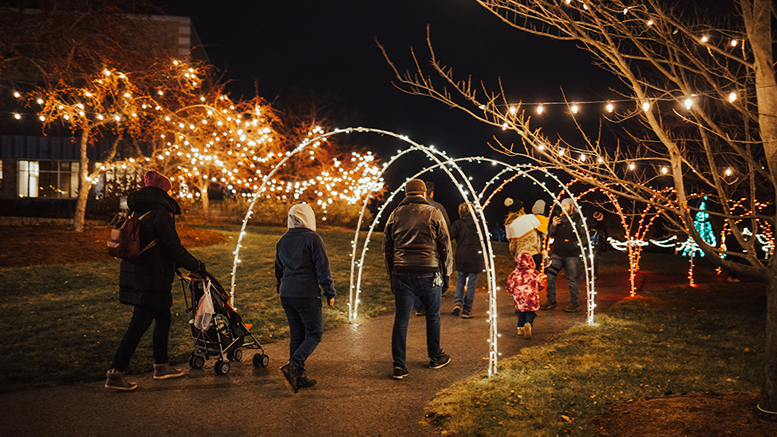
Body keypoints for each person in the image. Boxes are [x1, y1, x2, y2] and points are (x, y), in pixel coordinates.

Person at [106, 170, 205, 391]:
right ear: (162, 192)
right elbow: (174, 248)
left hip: (140, 273)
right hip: (152, 279)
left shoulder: (136, 210)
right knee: (138, 325)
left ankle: (161, 365)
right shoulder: (160, 215)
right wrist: (197, 266)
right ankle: (116, 372)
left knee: (163, 320)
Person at [384, 179, 453, 380]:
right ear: (424, 193)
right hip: (429, 271)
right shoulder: (434, 212)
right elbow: (445, 247)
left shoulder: (394, 214)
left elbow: (387, 248)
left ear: (406, 193)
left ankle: (399, 365)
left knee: (401, 318)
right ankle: (435, 357)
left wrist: (392, 273)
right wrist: (446, 274)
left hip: (401, 272)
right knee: (433, 316)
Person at [275, 203, 336, 393]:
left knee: (297, 335)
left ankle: (298, 376)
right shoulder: (313, 238)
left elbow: (278, 269)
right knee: (315, 333)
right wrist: (329, 292)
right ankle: (294, 365)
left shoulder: (282, 240)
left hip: (287, 293)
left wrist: (281, 288)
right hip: (306, 292)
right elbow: (322, 268)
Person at [412, 181, 451, 316]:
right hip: (433, 252)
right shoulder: (438, 208)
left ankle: (418, 307)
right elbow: (446, 231)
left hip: (415, 250)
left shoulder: (413, 208)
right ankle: (430, 306)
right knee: (432, 279)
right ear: (432, 192)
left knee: (416, 277)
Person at [541, 198, 586, 313]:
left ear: (571, 206)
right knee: (550, 275)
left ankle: (574, 303)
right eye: (562, 205)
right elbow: (550, 234)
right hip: (557, 253)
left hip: (572, 255)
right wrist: (554, 224)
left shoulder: (578, 219)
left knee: (571, 279)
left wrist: (575, 245)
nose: (563, 207)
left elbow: (585, 236)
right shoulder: (560, 219)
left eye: (566, 205)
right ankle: (551, 301)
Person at [449, 202, 484, 319]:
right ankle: (467, 309)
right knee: (471, 284)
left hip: (462, 255)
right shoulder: (479, 224)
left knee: (460, 280)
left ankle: (457, 303)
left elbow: (449, 236)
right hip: (476, 256)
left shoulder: (458, 224)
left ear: (460, 213)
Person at [506, 251, 544, 340]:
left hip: (519, 297)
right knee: (530, 312)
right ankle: (528, 324)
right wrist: (538, 289)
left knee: (521, 312)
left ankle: (520, 328)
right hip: (531, 296)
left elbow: (509, 285)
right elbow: (541, 284)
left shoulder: (514, 273)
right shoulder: (534, 273)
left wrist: (511, 291)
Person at [504, 198, 542, 263]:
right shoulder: (531, 218)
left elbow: (512, 246)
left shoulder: (509, 224)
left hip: (521, 257)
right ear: (522, 208)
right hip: (534, 254)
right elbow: (540, 233)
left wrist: (514, 256)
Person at [589, 211, 608, 278]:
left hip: (590, 244)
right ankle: (594, 274)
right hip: (597, 244)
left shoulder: (590, 225)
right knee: (595, 259)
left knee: (592, 259)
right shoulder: (602, 226)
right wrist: (604, 245)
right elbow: (604, 236)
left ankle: (592, 273)